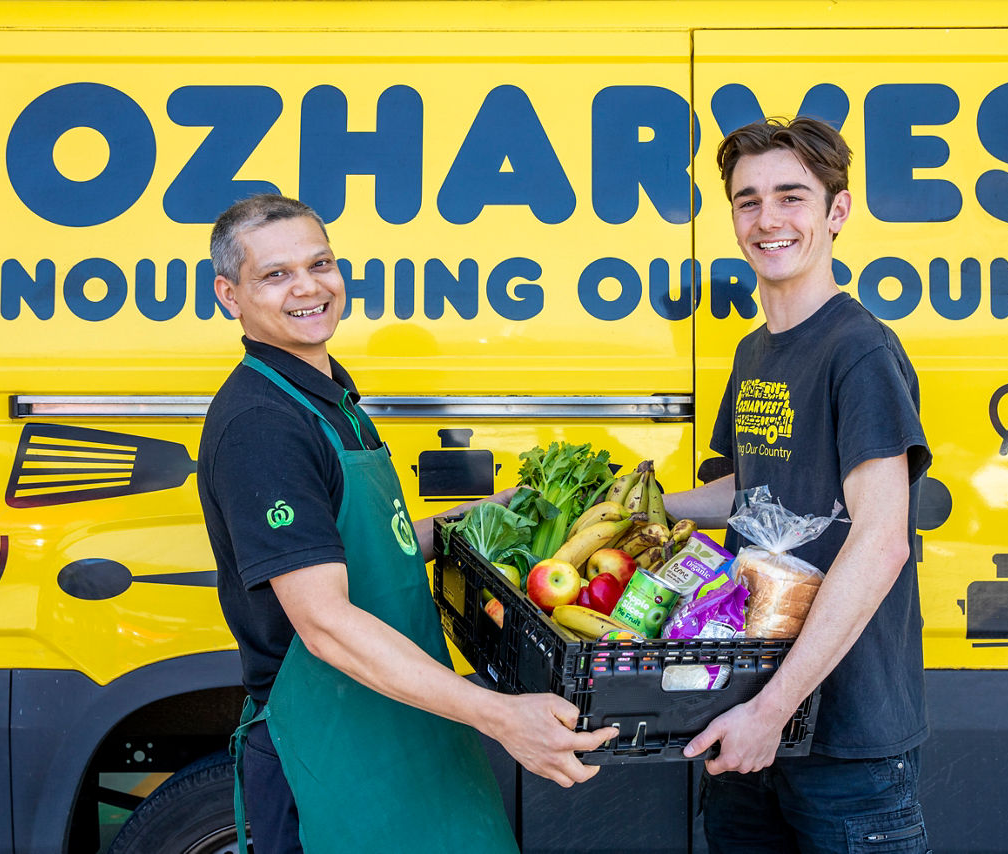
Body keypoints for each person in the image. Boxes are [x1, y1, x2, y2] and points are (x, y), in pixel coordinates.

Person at [196, 193, 616, 854]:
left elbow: (368, 550)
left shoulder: (331, 398)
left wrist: (486, 516)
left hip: (405, 724)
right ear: (230, 295)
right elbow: (325, 620)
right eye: (275, 275)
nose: (308, 287)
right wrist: (500, 715)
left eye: (320, 264)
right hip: (331, 751)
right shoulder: (262, 425)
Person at [664, 117, 933, 853]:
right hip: (747, 716)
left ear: (836, 212)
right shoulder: (755, 351)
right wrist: (642, 508)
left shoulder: (860, 351)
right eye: (748, 201)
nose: (768, 220)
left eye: (791, 197)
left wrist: (772, 711)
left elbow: (882, 543)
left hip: (842, 740)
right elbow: (752, 498)